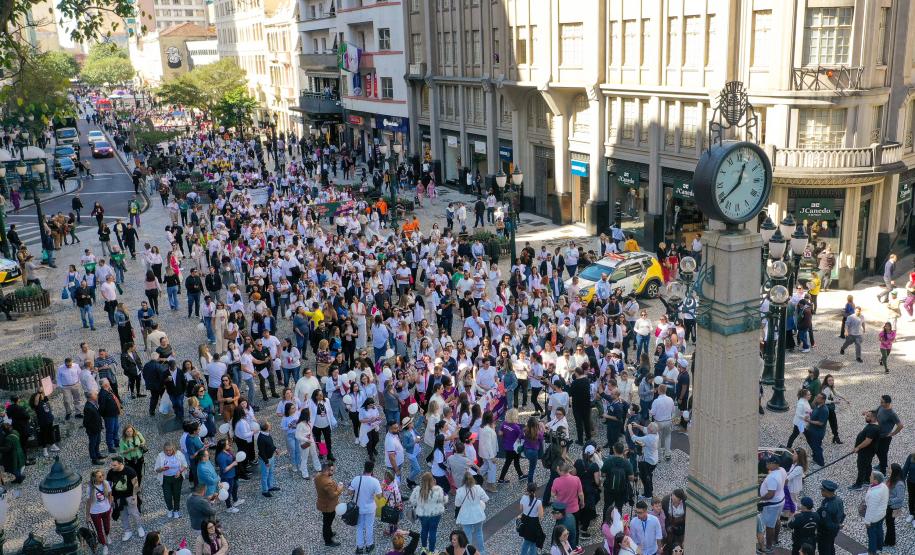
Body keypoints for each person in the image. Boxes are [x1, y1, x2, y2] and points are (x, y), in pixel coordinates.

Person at [107, 456, 144, 542]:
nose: (112, 467)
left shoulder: (130, 471)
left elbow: (135, 484)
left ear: (121, 464)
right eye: (112, 465)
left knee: (134, 513)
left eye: (114, 465)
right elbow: (108, 486)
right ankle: (127, 531)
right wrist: (110, 497)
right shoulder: (111, 472)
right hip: (118, 497)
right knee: (123, 515)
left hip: (130, 495)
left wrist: (134, 497)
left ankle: (139, 527)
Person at [349, 460, 383, 554]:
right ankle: (369, 545)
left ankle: (359, 548)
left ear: (364, 468)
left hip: (359, 508)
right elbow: (379, 496)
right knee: (369, 526)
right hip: (370, 508)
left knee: (359, 527)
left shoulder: (357, 479)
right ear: (372, 470)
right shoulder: (375, 481)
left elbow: (350, 492)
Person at [455, 471, 489, 554]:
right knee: (479, 533)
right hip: (478, 514)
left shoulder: (460, 490)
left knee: (467, 536)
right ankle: (481, 551)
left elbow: (457, 504)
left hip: (466, 517)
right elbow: (486, 499)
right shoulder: (478, 488)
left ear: (463, 480)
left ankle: (469, 552)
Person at [759, 457, 787, 553]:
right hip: (780, 500)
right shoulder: (782, 470)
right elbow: (785, 481)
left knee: (769, 526)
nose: (766, 464)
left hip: (772, 504)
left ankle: (769, 546)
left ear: (775, 464)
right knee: (777, 520)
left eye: (768, 462)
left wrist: (759, 498)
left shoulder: (772, 477)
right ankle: (776, 539)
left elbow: (770, 495)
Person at [155, 440, 188, 518]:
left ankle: (176, 510)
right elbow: (156, 469)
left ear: (173, 449)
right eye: (166, 450)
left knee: (176, 495)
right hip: (166, 479)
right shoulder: (160, 456)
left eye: (170, 450)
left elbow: (185, 465)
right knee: (167, 496)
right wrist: (162, 469)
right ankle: (170, 509)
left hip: (177, 478)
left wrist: (179, 471)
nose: (168, 452)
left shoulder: (179, 454)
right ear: (164, 450)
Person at [315, 462, 344, 547]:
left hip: (322, 503)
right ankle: (328, 541)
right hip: (328, 506)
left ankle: (330, 533)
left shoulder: (317, 476)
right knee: (327, 523)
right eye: (331, 470)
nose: (333, 471)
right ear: (326, 470)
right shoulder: (327, 482)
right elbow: (332, 495)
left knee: (327, 522)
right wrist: (339, 489)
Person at [850, 410, 880, 490]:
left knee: (861, 467)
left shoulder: (872, 429)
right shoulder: (872, 425)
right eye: (866, 416)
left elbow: (868, 441)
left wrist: (858, 447)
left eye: (868, 416)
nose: (865, 417)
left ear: (874, 418)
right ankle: (867, 480)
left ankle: (858, 485)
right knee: (867, 465)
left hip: (866, 451)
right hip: (868, 451)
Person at [86, 469, 113, 555]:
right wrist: (87, 515)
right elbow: (88, 502)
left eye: (102, 475)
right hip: (95, 512)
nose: (102, 477)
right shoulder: (90, 488)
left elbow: (110, 494)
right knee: (99, 530)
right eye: (100, 477)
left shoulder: (105, 483)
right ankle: (104, 545)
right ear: (95, 478)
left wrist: (109, 504)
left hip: (106, 509)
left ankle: (108, 535)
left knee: (107, 525)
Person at [875, 394, 903, 476]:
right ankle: (882, 464)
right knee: (877, 450)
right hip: (878, 434)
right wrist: (867, 412)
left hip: (885, 437)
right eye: (880, 401)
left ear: (887, 403)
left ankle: (883, 472)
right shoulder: (881, 407)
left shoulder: (892, 413)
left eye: (882, 402)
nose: (880, 403)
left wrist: (892, 433)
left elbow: (900, 425)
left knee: (883, 453)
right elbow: (875, 411)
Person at [863, 471, 889, 555]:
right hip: (881, 514)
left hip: (874, 518)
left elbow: (871, 509)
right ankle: (879, 548)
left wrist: (867, 521)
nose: (869, 477)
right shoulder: (884, 486)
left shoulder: (874, 493)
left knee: (872, 535)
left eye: (871, 476)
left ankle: (872, 552)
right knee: (879, 530)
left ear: (875, 480)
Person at [816, 480, 845, 555]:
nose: (821, 492)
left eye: (822, 490)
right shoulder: (838, 500)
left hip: (825, 533)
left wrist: (838, 526)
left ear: (826, 492)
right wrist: (838, 525)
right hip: (834, 531)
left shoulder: (826, 507)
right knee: (831, 546)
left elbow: (827, 524)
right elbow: (842, 514)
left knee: (824, 550)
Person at [518, 481, 546, 555]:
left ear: (527, 490)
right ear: (535, 491)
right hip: (533, 524)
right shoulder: (538, 502)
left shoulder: (523, 497)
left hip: (525, 521)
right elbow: (541, 516)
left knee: (526, 540)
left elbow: (521, 509)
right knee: (533, 543)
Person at [256, 420, 279, 497]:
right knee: (265, 475)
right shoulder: (261, 438)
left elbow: (271, 444)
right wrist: (266, 462)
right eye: (269, 425)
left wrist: (275, 449)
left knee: (271, 472)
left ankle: (270, 486)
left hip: (271, 457)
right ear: (266, 428)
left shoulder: (267, 434)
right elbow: (261, 452)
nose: (270, 425)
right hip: (265, 460)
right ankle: (265, 491)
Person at [885, 463, 905, 549]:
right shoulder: (892, 479)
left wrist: (889, 501)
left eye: (890, 468)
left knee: (890, 524)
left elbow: (900, 498)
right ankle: (889, 540)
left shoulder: (899, 484)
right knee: (889, 523)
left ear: (894, 471)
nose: (888, 469)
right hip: (889, 505)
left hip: (893, 507)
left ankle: (890, 541)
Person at [84, 391, 104, 465]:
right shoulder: (88, 407)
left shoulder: (93, 404)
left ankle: (98, 454)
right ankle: (94, 459)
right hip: (93, 430)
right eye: (95, 394)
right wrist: (92, 429)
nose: (97, 395)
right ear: (91, 397)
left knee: (97, 442)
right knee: (92, 444)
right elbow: (86, 422)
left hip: (97, 428)